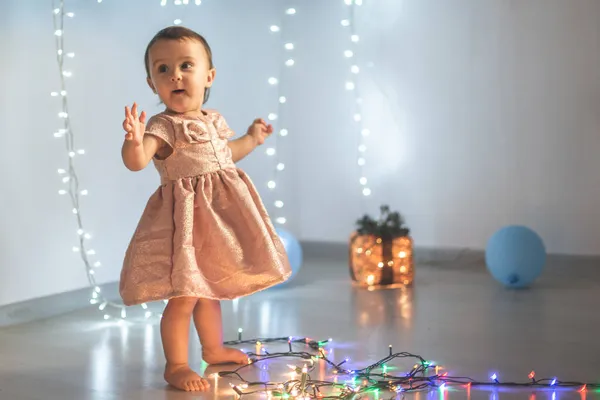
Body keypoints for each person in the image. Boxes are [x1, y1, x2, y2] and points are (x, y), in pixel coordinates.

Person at [119, 26, 291, 392]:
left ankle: (213, 348)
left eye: (185, 65)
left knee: (210, 290)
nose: (175, 75)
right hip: (184, 225)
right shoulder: (162, 126)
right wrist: (134, 141)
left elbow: (228, 154)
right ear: (152, 83)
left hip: (218, 222)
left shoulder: (213, 120)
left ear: (208, 76)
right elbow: (137, 162)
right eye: (162, 69)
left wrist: (253, 138)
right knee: (185, 297)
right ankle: (177, 364)